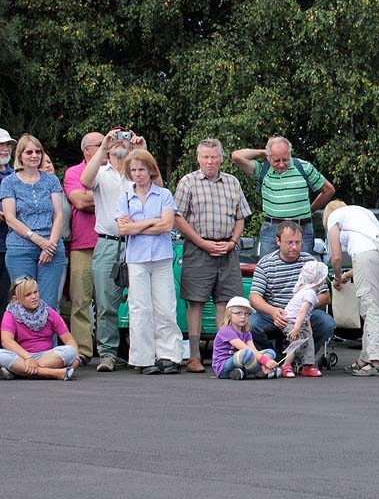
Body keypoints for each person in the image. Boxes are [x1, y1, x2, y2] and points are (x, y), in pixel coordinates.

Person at [80, 127, 160, 373]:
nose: (120, 143)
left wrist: (142, 152)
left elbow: (160, 189)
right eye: (115, 139)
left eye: (124, 138)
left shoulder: (136, 172)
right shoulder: (101, 172)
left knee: (142, 301)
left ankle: (142, 353)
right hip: (108, 241)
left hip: (137, 241)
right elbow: (85, 181)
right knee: (106, 302)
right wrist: (103, 147)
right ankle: (108, 353)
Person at [173, 138, 252, 373]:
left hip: (227, 249)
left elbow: (241, 217)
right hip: (197, 249)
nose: (210, 161)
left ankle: (224, 354)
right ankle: (194, 356)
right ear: (198, 159)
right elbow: (178, 218)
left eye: (214, 157)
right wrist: (202, 243)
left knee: (226, 302)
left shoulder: (232, 182)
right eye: (205, 157)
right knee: (195, 301)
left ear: (221, 158)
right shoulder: (188, 182)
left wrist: (232, 242)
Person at [114, 148, 180, 375]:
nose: (138, 174)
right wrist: (151, 222)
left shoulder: (164, 195)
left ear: (150, 170)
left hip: (161, 256)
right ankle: (143, 358)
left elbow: (167, 225)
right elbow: (123, 229)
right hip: (136, 258)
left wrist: (138, 224)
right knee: (140, 308)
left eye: (141, 169)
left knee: (165, 306)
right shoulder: (124, 197)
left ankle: (169, 355)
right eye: (133, 170)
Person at [230, 136, 335, 256]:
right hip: (272, 229)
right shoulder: (263, 169)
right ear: (269, 158)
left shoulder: (303, 167)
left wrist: (310, 210)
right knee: (268, 268)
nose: (281, 164)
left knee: (304, 271)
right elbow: (236, 156)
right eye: (276, 160)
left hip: (302, 227)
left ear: (290, 154)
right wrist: (262, 152)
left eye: (285, 159)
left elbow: (328, 190)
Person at [323, 200, 379, 377]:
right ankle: (365, 357)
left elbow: (337, 257)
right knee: (376, 309)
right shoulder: (364, 212)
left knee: (370, 310)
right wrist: (347, 276)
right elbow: (372, 253)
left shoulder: (334, 217)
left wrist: (338, 277)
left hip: (367, 256)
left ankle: (376, 361)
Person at [0, 134, 66, 311]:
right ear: (20, 155)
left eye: (38, 151)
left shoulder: (51, 180)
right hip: (20, 249)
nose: (34, 155)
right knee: (24, 304)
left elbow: (59, 214)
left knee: (48, 305)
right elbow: (10, 219)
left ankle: (48, 340)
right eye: (29, 152)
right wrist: (39, 241)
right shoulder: (9, 182)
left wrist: (50, 245)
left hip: (51, 249)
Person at [248, 221, 333, 357]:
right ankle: (273, 355)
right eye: (289, 243)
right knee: (251, 324)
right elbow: (254, 297)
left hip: (304, 315)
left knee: (327, 323)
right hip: (275, 314)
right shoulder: (266, 263)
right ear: (278, 241)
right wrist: (272, 311)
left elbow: (325, 296)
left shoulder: (310, 263)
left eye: (298, 243)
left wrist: (303, 308)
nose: (294, 247)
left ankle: (302, 356)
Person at [62, 132, 105, 364]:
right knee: (80, 302)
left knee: (108, 302)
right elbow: (79, 201)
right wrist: (108, 201)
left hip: (110, 244)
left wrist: (94, 200)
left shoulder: (116, 169)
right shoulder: (74, 172)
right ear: (87, 150)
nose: (106, 148)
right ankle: (82, 352)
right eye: (100, 145)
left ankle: (108, 350)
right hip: (83, 245)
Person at [0, 276, 78, 380]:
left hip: (47, 357)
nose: (34, 297)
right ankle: (53, 373)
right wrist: (28, 357)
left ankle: (18, 372)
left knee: (70, 351)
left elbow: (68, 339)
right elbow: (6, 341)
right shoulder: (10, 314)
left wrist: (76, 359)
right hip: (22, 356)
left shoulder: (49, 312)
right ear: (16, 299)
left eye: (35, 292)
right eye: (28, 294)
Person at [279, 260, 327, 378]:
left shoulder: (306, 290)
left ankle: (308, 366)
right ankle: (286, 366)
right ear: (319, 280)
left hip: (299, 321)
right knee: (295, 342)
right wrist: (296, 328)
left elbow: (306, 313)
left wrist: (307, 324)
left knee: (308, 341)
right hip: (292, 321)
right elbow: (302, 311)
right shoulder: (310, 292)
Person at [212, 296, 280, 380]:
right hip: (224, 366)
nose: (243, 316)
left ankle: (244, 373)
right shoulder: (226, 331)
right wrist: (266, 361)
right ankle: (261, 373)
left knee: (270, 352)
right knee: (246, 353)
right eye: (238, 313)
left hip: (243, 363)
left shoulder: (246, 332)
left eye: (246, 314)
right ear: (229, 314)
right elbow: (246, 349)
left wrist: (265, 360)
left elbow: (254, 350)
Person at [0, 128, 17, 302]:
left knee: (6, 297)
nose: (5, 149)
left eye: (8, 145)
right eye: (1, 144)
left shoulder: (15, 176)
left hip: (10, 245)